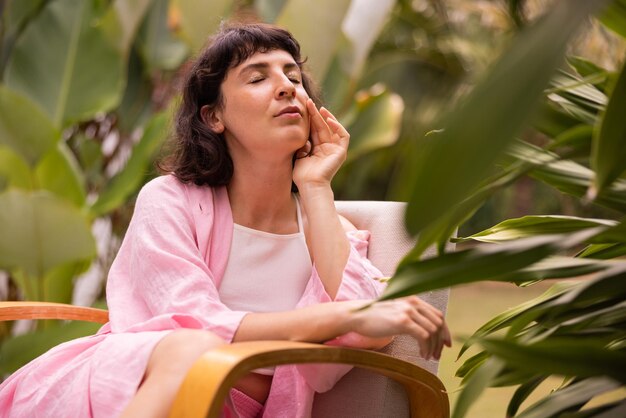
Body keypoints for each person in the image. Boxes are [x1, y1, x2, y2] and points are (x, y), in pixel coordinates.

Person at [0, 22, 450, 418]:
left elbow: (362, 334)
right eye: (259, 77)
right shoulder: (170, 201)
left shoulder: (332, 230)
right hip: (123, 386)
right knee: (196, 346)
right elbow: (194, 324)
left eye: (293, 76)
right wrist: (343, 315)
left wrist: (316, 188)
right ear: (214, 116)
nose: (287, 86)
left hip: (231, 407)